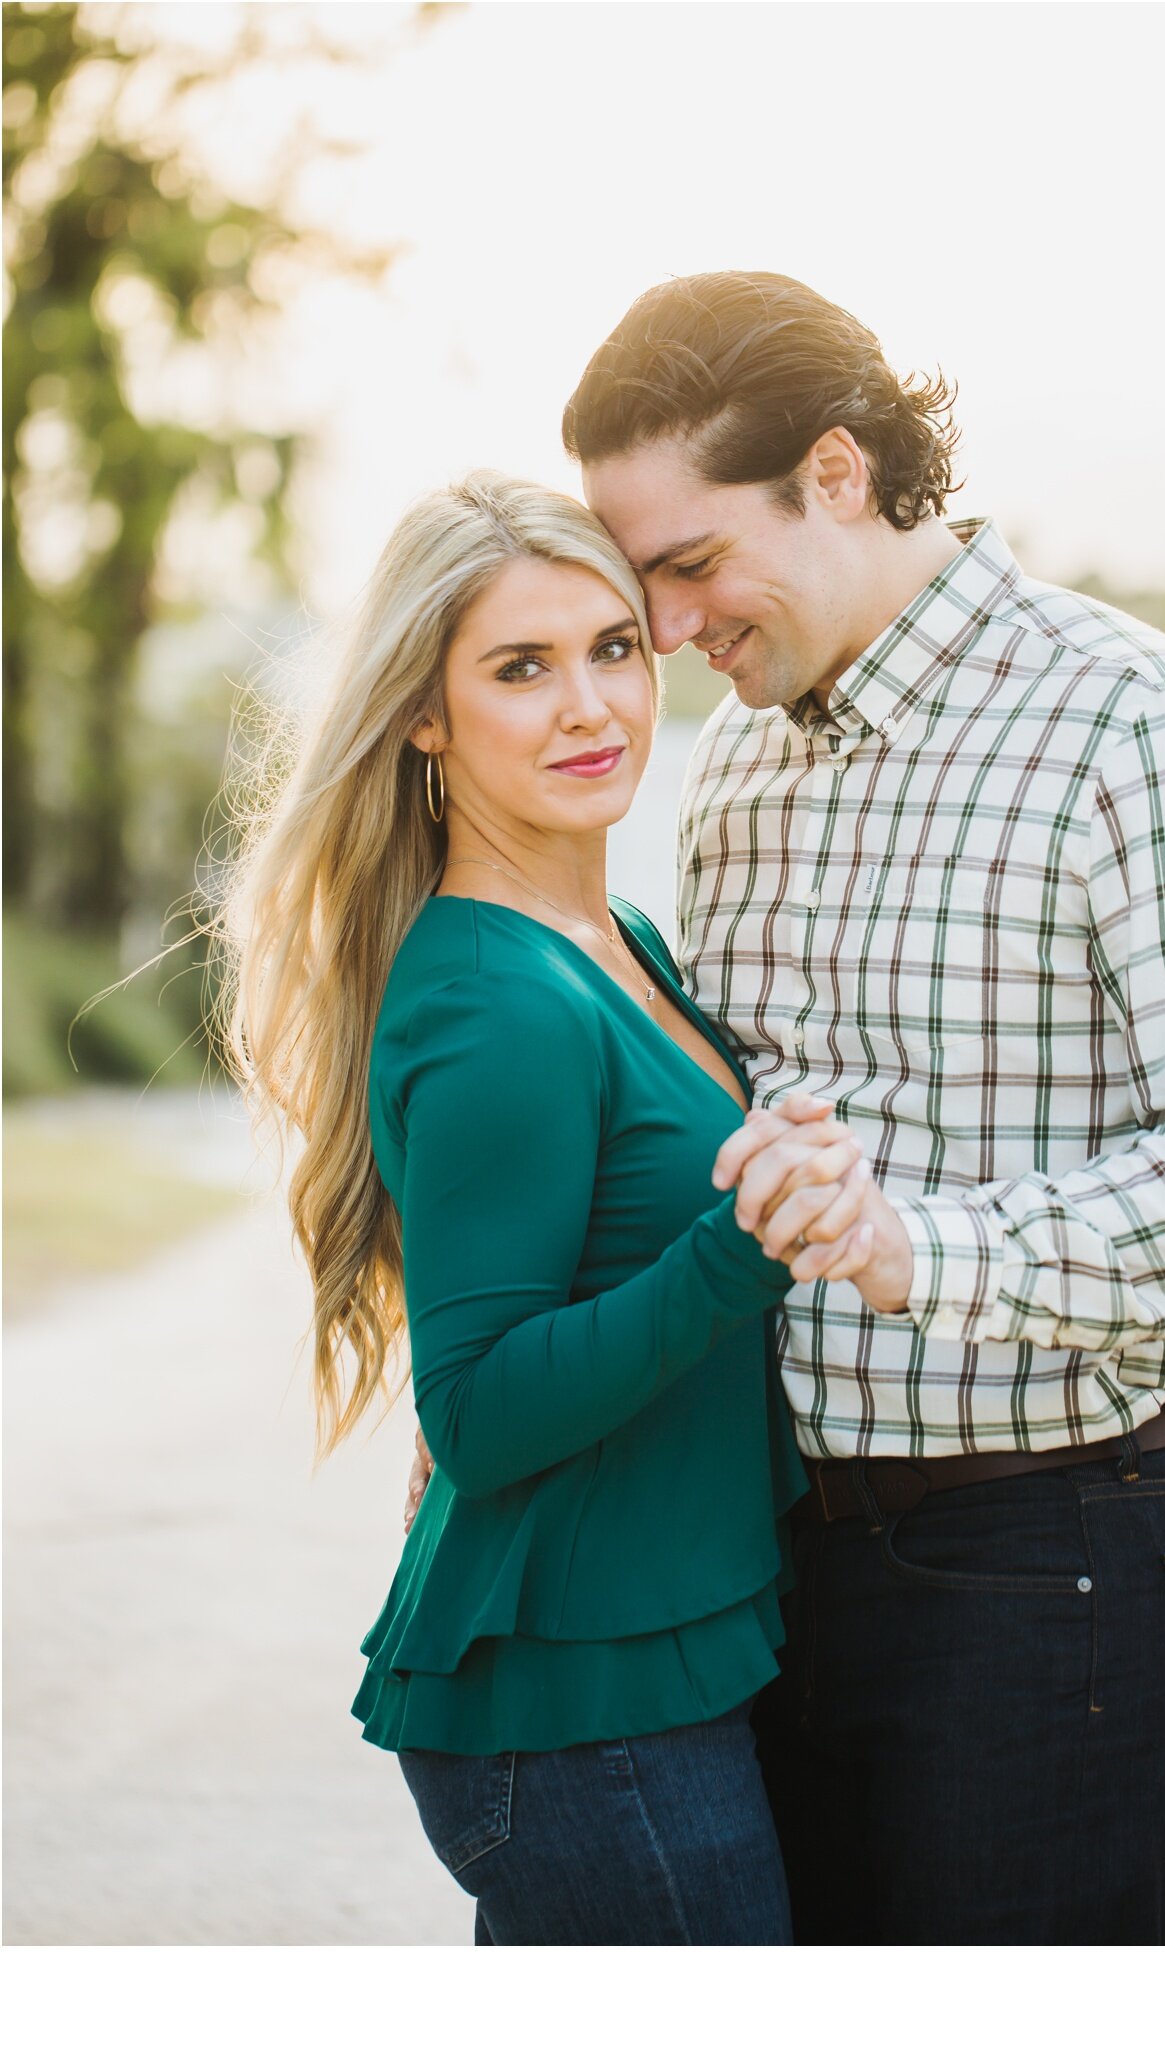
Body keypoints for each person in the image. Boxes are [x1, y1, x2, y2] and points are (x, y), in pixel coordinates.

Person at [409, 272, 1165, 1944]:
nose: (663, 634)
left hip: (1055, 1561)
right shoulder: (742, 765)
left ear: (835, 474)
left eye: (682, 567)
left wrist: (923, 1252)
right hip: (764, 1566)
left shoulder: (1140, 727)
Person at [221, 471, 878, 1946]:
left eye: (612, 649)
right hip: (579, 1717)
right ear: (425, 716)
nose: (590, 706)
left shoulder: (609, 934)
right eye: (521, 668)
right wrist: (742, 1248)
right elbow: (480, 1406)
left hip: (663, 1669)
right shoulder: (493, 996)